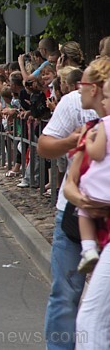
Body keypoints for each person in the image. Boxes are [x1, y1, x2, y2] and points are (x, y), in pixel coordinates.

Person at [38, 57, 107, 349]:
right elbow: (44, 147)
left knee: (94, 310)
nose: (79, 88)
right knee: (66, 293)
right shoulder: (71, 105)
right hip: (74, 217)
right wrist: (71, 142)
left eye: (85, 84)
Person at [74, 79, 110, 273]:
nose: (103, 103)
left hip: (99, 191)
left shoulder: (103, 124)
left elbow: (96, 153)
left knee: (83, 211)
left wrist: (88, 140)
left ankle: (88, 248)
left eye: (107, 98)